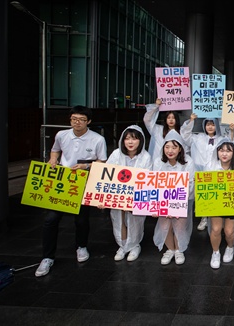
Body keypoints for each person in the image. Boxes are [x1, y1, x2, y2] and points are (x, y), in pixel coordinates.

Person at [35, 106, 107, 277]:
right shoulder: (61, 135)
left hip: (82, 182)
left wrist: (86, 166)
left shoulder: (97, 139)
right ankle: (47, 257)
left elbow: (102, 161)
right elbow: (55, 150)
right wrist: (53, 159)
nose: (77, 122)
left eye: (81, 119)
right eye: (74, 119)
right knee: (51, 219)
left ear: (88, 121)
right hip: (62, 182)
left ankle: (81, 247)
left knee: (81, 220)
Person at [103, 125, 153, 262]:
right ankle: (122, 245)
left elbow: (148, 179)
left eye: (134, 139)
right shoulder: (116, 154)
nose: (130, 142)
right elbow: (106, 175)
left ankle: (134, 245)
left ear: (141, 140)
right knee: (118, 219)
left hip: (136, 196)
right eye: (127, 139)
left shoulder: (146, 157)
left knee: (135, 220)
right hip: (118, 195)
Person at [152, 130, 195, 265]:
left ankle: (179, 249)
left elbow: (190, 183)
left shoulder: (188, 162)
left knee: (180, 226)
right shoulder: (158, 162)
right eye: (167, 147)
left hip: (182, 201)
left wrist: (174, 206)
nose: (170, 150)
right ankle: (170, 249)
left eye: (174, 147)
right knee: (164, 225)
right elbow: (153, 183)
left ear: (180, 149)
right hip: (162, 201)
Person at [180, 113, 224, 231]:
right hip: (200, 172)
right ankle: (203, 218)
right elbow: (185, 135)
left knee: (215, 197)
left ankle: (215, 219)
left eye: (213, 124)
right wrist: (191, 120)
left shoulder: (221, 139)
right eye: (208, 124)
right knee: (202, 197)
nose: (210, 127)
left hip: (215, 171)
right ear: (204, 126)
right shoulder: (197, 137)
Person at [207, 139, 234, 269]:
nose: (224, 154)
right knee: (216, 229)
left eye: (228, 151)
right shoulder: (211, 166)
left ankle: (230, 247)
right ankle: (215, 252)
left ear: (233, 153)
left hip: (231, 203)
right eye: (221, 150)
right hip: (215, 202)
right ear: (217, 152)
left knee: (229, 232)